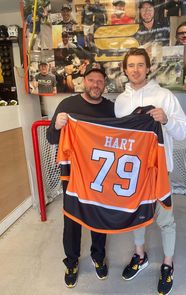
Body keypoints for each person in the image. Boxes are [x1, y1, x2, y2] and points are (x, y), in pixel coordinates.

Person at [115, 47, 186, 295]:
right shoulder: (121, 101)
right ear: (125, 69)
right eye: (131, 65)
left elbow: (183, 132)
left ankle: (168, 264)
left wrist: (166, 119)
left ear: (148, 68)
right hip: (133, 172)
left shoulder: (165, 95)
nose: (135, 70)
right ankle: (140, 256)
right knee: (136, 214)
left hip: (159, 170)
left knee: (165, 219)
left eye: (140, 65)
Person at [46, 62, 115, 288]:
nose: (96, 85)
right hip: (74, 174)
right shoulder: (67, 104)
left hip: (100, 176)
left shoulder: (111, 108)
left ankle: (98, 255)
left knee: (99, 216)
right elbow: (51, 137)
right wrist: (56, 125)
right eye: (91, 80)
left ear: (104, 84)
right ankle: (72, 261)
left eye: (100, 81)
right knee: (72, 219)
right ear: (84, 82)